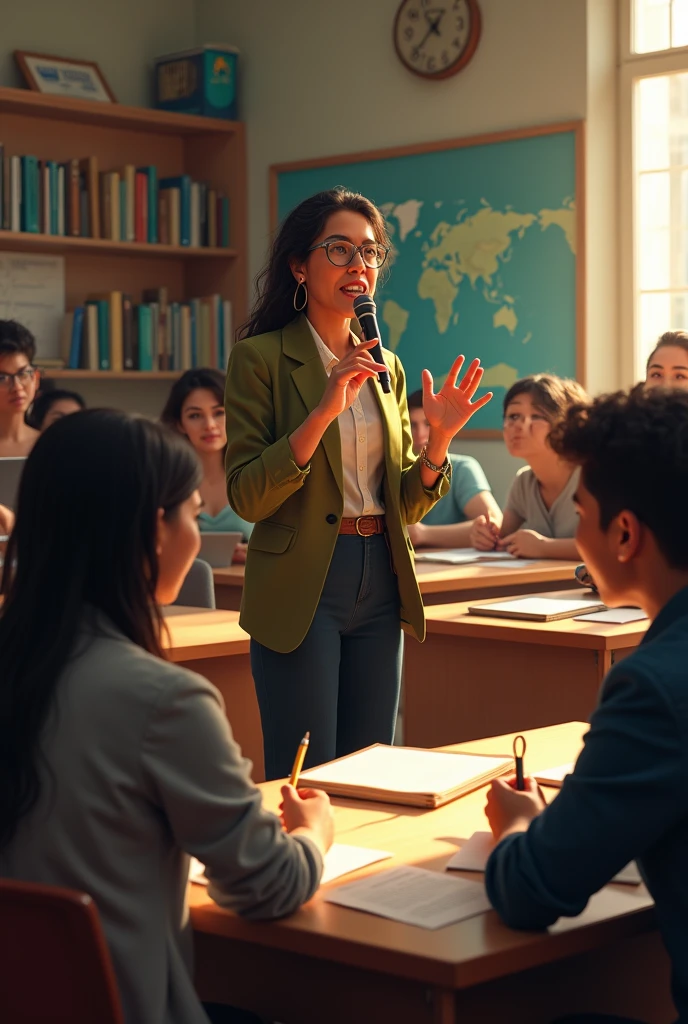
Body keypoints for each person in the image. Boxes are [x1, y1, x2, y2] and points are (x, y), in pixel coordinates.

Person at [0, 409, 334, 1024]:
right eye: (188, 510)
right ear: (156, 529)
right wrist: (316, 833)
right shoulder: (164, 700)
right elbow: (268, 885)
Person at [225, 187, 492, 781]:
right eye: (340, 250)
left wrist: (439, 443)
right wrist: (322, 409)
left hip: (382, 572)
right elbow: (247, 493)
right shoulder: (260, 359)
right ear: (300, 265)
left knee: (373, 766)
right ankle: (300, 875)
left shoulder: (387, 365)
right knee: (308, 770)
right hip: (303, 581)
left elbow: (404, 499)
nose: (359, 267)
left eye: (369, 254)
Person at [483, 386, 688, 1024]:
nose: (577, 531)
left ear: (624, 533)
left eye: (583, 512)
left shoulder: (652, 687)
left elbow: (530, 891)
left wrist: (519, 823)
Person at [472, 373, 588, 559]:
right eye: (513, 416)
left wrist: (545, 547)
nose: (519, 425)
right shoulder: (524, 481)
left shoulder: (591, 476)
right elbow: (501, 538)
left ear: (564, 425)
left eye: (536, 416)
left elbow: (612, 548)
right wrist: (485, 535)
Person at [161, 368, 253, 564]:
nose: (209, 425)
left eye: (219, 413)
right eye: (195, 416)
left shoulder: (254, 472)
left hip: (245, 586)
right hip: (183, 588)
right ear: (179, 424)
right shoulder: (167, 481)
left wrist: (255, 553)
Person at [404, 387, 502, 549]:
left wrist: (422, 534)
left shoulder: (462, 468)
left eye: (428, 424)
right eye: (412, 425)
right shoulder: (390, 471)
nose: (420, 433)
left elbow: (494, 525)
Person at [0, 319, 40, 458]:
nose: (17, 387)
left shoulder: (49, 444)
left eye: (22, 374)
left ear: (35, 378)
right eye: (2, 378)